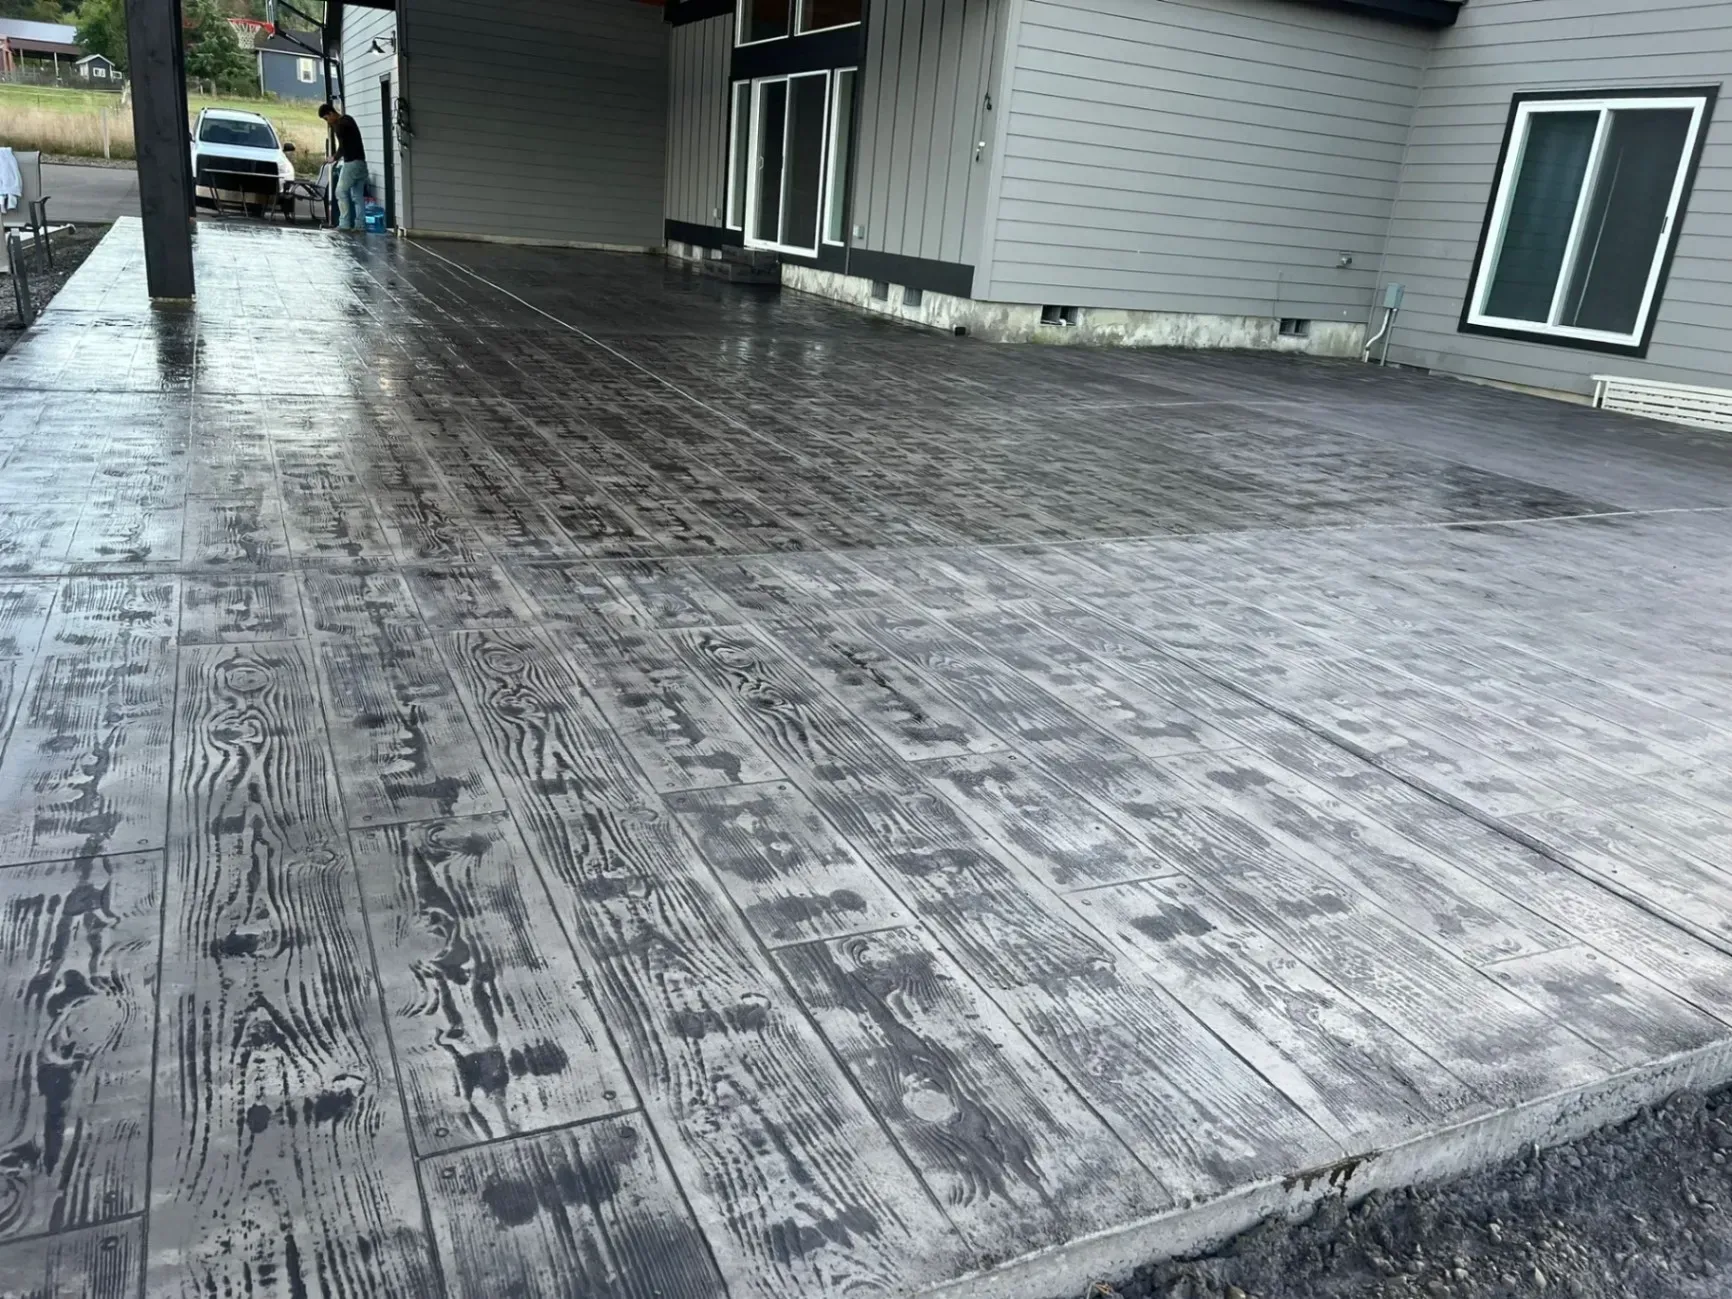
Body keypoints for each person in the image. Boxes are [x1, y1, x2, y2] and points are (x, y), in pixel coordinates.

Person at [318, 102, 368, 232]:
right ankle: (360, 225)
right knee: (357, 196)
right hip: (361, 162)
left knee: (340, 191)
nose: (328, 122)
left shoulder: (340, 125)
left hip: (351, 163)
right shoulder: (348, 119)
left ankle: (344, 223)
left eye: (326, 118)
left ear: (331, 113)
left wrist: (334, 158)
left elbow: (343, 146)